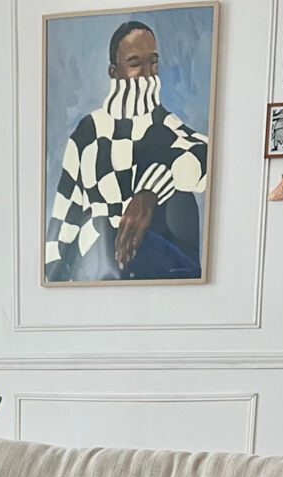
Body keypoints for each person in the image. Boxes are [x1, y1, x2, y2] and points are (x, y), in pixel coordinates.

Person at [45, 20, 208, 282]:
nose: (147, 73)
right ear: (114, 71)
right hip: (96, 274)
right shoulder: (89, 132)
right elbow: (65, 217)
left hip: (162, 274)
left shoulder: (166, 126)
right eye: (135, 63)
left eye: (153, 62)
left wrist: (150, 192)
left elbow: (207, 155)